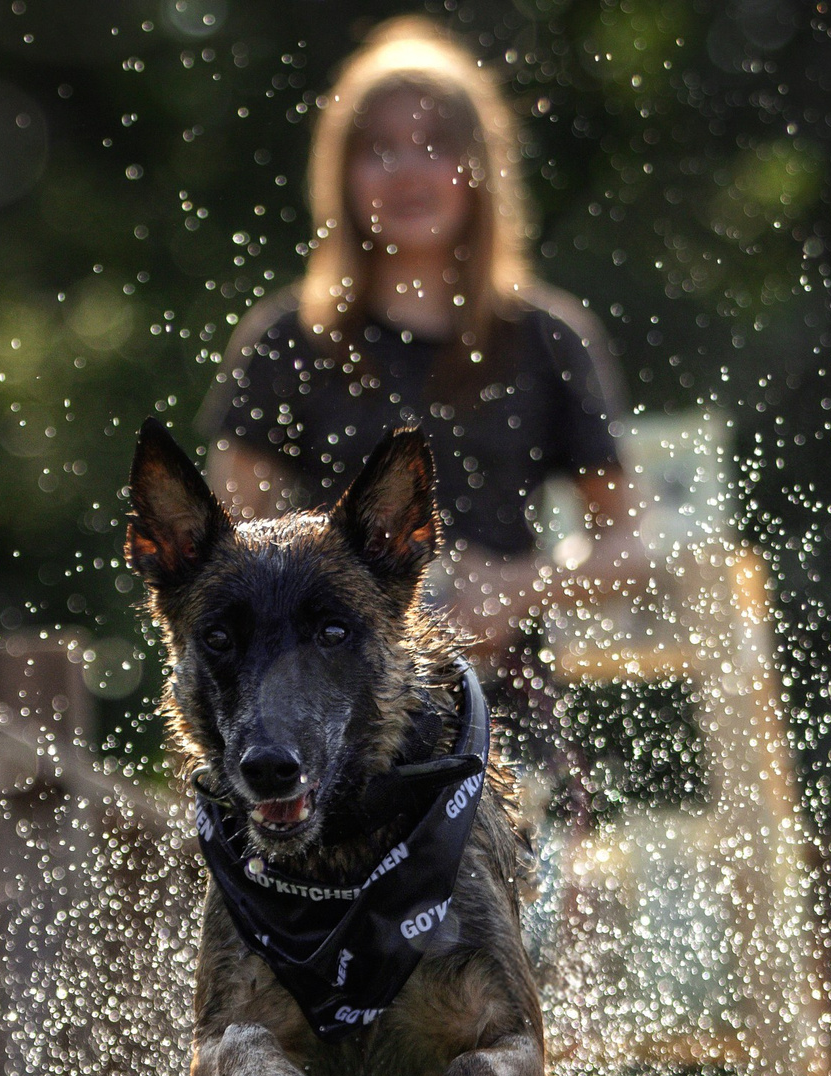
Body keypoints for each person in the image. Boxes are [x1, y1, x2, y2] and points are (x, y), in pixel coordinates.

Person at [197, 17, 646, 808]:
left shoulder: (548, 340)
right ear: (341, 176)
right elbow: (215, 559)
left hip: (503, 719)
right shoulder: (285, 341)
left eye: (435, 143)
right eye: (379, 148)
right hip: (311, 731)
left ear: (480, 170)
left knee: (549, 903)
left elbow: (631, 547)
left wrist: (517, 587)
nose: (408, 169)